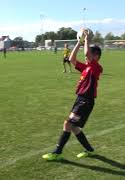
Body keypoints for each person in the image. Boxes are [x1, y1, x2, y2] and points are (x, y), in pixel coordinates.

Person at [42, 29, 103, 161]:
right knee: (74, 127)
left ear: (96, 56)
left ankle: (57, 152)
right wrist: (78, 43)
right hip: (80, 99)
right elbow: (72, 59)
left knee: (67, 124)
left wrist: (86, 40)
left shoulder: (96, 67)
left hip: (86, 101)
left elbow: (87, 53)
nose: (86, 56)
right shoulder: (86, 67)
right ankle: (90, 150)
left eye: (89, 55)